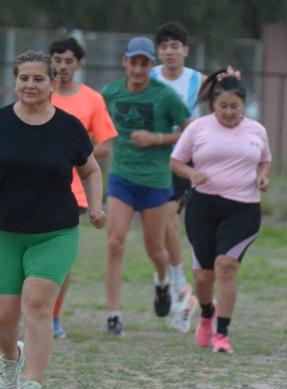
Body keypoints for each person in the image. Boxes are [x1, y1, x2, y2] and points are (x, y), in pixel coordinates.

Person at [0, 51, 105, 389]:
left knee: (37, 305)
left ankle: (34, 387)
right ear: (15, 81)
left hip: (55, 231)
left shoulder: (68, 128)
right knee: (0, 316)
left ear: (52, 82)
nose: (30, 85)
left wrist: (97, 206)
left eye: (38, 79)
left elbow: (91, 171)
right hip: (3, 230)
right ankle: (11, 359)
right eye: (24, 78)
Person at [170, 66, 270, 354]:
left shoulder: (256, 130)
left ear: (244, 104)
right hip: (203, 206)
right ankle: (205, 313)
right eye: (223, 106)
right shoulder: (198, 128)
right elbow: (176, 161)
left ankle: (222, 333)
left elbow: (264, 160)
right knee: (203, 276)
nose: (228, 112)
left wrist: (263, 175)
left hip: (244, 208)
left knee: (226, 266)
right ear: (213, 104)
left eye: (234, 106)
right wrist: (191, 175)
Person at [102, 36, 191, 336]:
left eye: (144, 63)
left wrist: (158, 139)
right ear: (125, 62)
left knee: (155, 248)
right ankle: (113, 314)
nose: (138, 69)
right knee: (115, 241)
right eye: (133, 62)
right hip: (121, 178)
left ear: (150, 66)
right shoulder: (111, 92)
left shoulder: (164, 96)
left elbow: (190, 130)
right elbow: (93, 122)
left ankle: (163, 282)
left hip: (154, 180)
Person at [48, 37, 118, 339]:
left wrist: (76, 153)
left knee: (59, 258)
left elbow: (105, 146)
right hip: (30, 187)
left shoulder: (92, 99)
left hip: (72, 191)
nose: (62, 66)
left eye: (68, 61)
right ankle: (28, 309)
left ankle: (52, 316)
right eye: (57, 60)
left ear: (79, 64)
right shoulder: (39, 92)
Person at [151, 21, 205, 334]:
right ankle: (174, 285)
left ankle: (179, 285)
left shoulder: (199, 81)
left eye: (175, 46)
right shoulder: (150, 77)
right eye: (164, 47)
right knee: (157, 230)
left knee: (169, 221)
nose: (170, 52)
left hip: (183, 160)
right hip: (150, 161)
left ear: (185, 50)